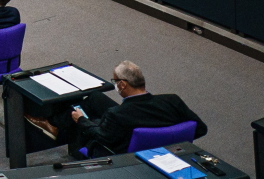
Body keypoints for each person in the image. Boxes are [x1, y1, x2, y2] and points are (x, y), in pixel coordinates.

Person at [26, 61, 208, 156]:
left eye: (115, 81)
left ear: (122, 85)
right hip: (136, 125)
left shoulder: (117, 114)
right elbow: (200, 128)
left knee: (82, 115)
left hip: (121, 146)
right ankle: (53, 124)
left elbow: (101, 137)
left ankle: (54, 124)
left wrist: (81, 120)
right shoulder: (172, 100)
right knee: (95, 98)